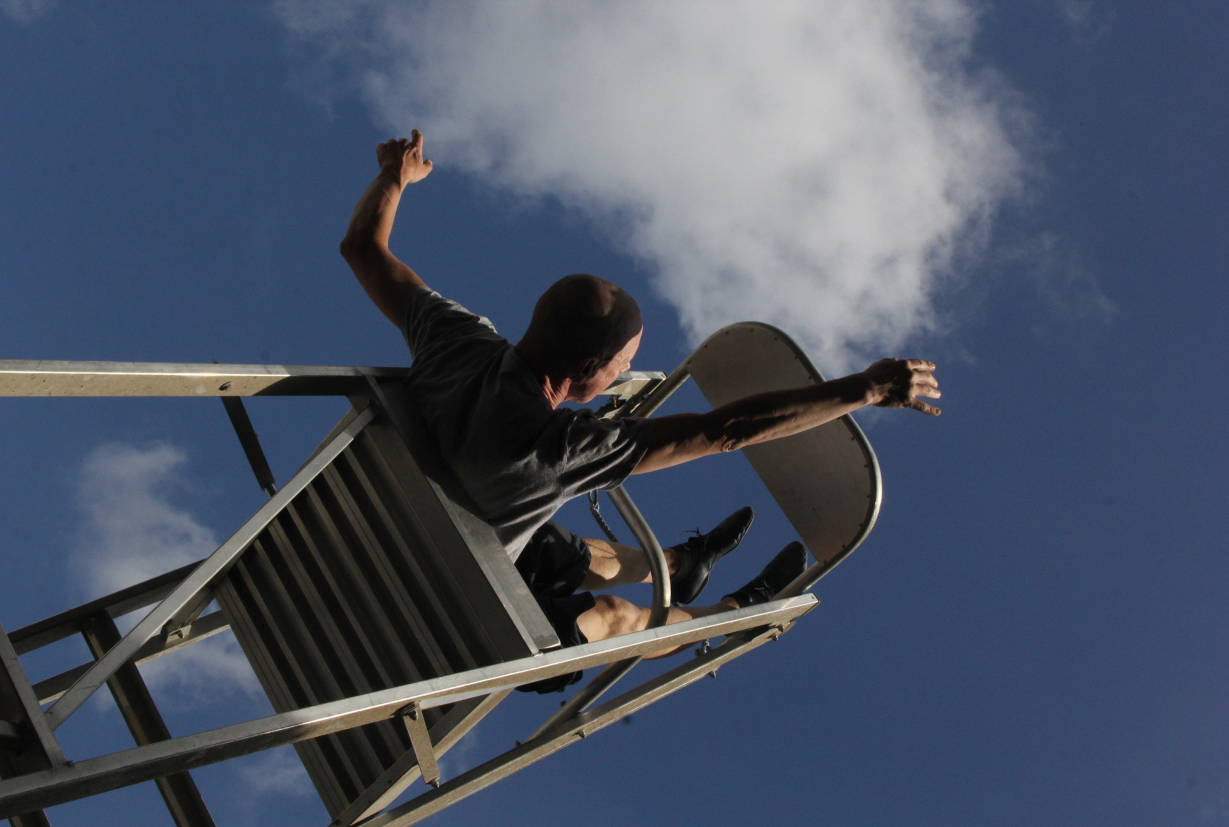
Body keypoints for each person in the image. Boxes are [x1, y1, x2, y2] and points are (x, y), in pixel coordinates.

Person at [340, 131, 940, 690]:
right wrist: (860, 391)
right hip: (454, 627)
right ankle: (733, 612)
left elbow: (363, 248)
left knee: (554, 549)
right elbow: (726, 430)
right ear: (587, 367)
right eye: (622, 363)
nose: (625, 373)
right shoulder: (562, 446)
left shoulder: (455, 338)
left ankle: (678, 563)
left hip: (364, 541)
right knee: (616, 617)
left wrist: (395, 177)